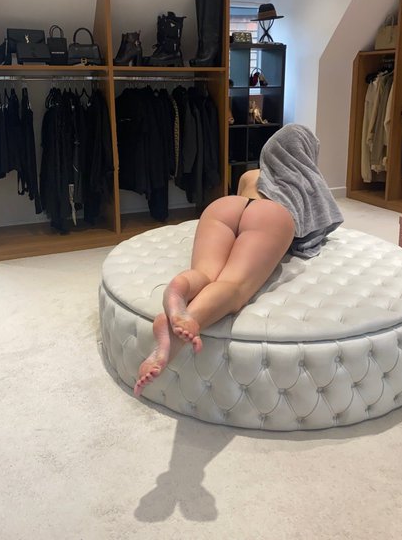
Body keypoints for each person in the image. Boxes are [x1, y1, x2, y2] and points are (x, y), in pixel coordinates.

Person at [134, 124, 343, 396]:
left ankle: (178, 293)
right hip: (269, 215)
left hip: (226, 207)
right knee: (233, 285)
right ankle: (180, 331)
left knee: (205, 273)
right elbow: (312, 234)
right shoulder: (309, 183)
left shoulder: (250, 175)